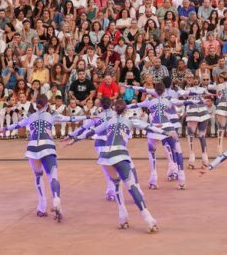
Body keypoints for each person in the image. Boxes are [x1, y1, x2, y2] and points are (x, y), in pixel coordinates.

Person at [68, 99, 165, 232]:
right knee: (132, 187)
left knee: (117, 185)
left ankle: (122, 217)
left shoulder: (109, 121)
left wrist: (74, 139)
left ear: (115, 109)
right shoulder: (131, 120)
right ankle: (148, 219)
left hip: (105, 157)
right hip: (119, 154)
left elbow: (91, 132)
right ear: (125, 110)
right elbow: (149, 127)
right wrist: (167, 133)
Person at [0, 95, 86, 221]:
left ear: (36, 105)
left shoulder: (31, 117)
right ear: (46, 105)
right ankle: (56, 199)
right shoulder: (52, 116)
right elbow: (71, 118)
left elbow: (17, 125)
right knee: (53, 176)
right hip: (47, 147)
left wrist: (5, 128)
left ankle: (42, 207)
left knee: (38, 176)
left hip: (32, 149)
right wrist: (88, 117)